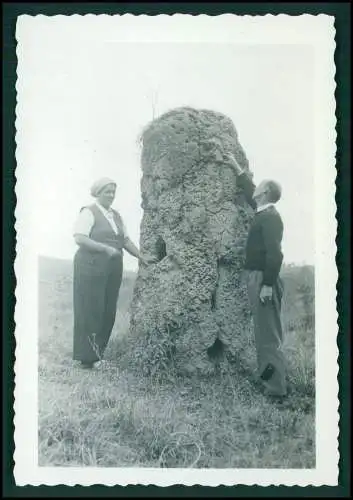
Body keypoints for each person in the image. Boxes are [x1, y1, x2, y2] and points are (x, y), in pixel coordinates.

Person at [73, 177, 155, 369]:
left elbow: (125, 240)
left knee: (108, 310)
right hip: (90, 267)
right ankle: (87, 359)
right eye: (107, 191)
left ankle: (97, 356)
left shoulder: (116, 216)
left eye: (113, 192)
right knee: (91, 309)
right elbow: (79, 238)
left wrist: (142, 257)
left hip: (112, 269)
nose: (110, 195)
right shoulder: (89, 212)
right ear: (98, 193)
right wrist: (104, 249)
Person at [225, 154, 287, 400]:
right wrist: (238, 169)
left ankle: (276, 390)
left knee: (268, 335)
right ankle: (269, 381)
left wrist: (268, 286)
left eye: (259, 186)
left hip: (263, 279)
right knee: (263, 332)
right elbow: (251, 194)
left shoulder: (271, 218)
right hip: (257, 277)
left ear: (265, 192)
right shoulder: (263, 212)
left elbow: (276, 254)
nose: (256, 186)